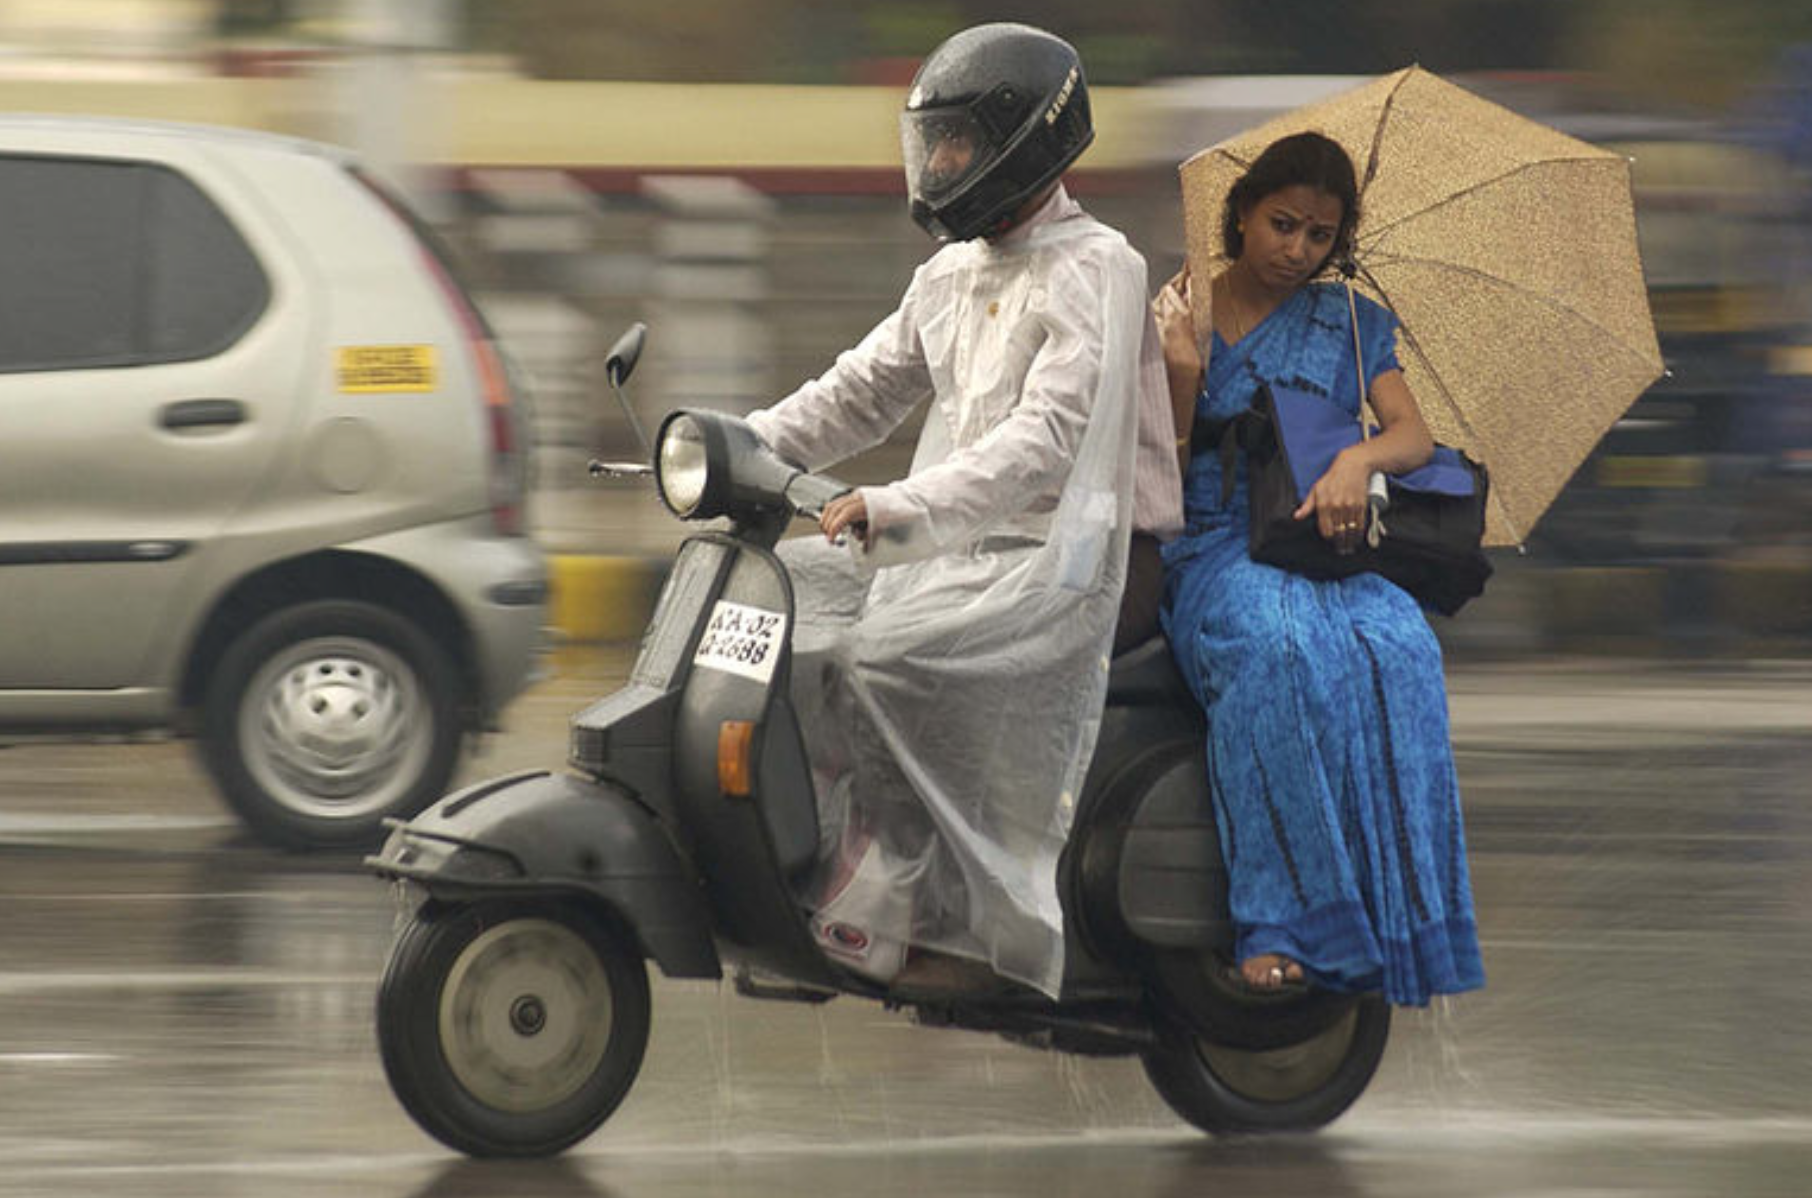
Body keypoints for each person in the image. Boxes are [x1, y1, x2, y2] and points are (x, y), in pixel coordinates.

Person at [744, 22, 1182, 997]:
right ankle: (822, 852)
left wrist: (896, 506)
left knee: (882, 656)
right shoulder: (950, 274)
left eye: (958, 146)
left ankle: (924, 903)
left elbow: (1040, 445)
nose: (939, 165)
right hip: (969, 546)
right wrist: (738, 446)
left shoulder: (1098, 269)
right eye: (933, 144)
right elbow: (860, 390)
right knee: (782, 605)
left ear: (1026, 141)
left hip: (1091, 558)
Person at [1152, 131, 1484, 1007]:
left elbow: (1411, 436)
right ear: (1241, 217)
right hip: (1215, 545)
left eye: (1319, 235)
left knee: (1402, 645)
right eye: (1282, 224)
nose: (1297, 250)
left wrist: (1357, 462)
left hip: (1321, 546)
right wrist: (1181, 370)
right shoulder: (1178, 312)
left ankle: (1399, 918)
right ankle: (1281, 921)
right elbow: (1160, 458)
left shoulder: (1351, 320)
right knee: (1278, 649)